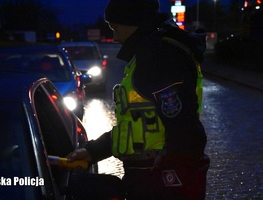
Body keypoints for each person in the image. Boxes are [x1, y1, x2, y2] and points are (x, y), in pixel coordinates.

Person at [67, 0, 210, 199]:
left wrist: (170, 180)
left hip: (161, 183)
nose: (115, 36)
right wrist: (93, 151)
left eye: (114, 27)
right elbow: (137, 127)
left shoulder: (160, 57)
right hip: (150, 177)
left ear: (131, 22)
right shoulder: (148, 54)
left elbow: (185, 131)